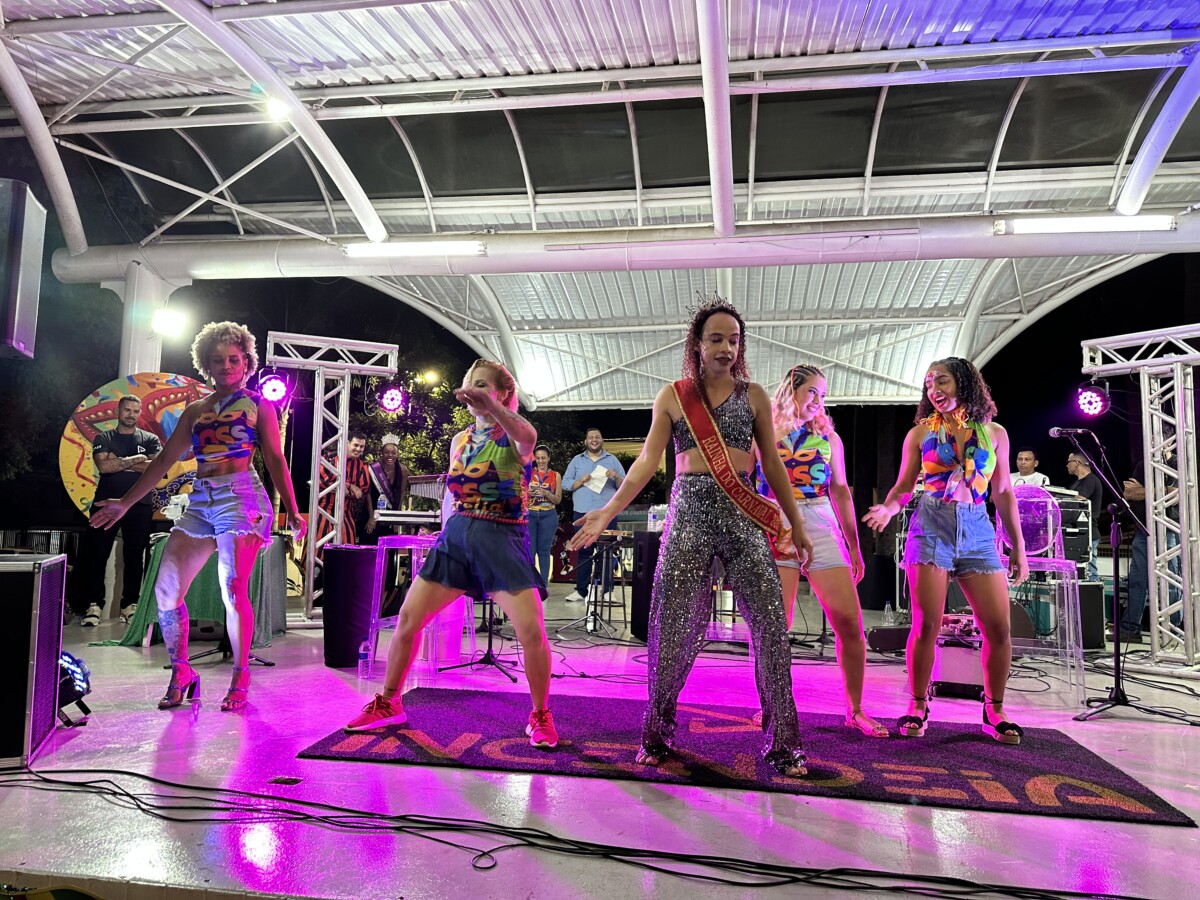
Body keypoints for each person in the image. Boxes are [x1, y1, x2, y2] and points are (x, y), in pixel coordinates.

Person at [571, 298, 814, 777]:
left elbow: (772, 465)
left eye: (734, 340)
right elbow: (646, 462)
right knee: (671, 628)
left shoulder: (755, 395)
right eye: (716, 339)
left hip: (743, 514)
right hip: (690, 515)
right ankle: (656, 735)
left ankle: (784, 746)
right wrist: (607, 510)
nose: (726, 348)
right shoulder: (673, 395)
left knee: (771, 627)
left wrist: (797, 525)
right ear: (697, 345)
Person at [90, 322, 306, 712]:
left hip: (242, 496)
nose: (226, 366)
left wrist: (291, 508)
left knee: (233, 586)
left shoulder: (259, 405)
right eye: (218, 360)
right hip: (201, 499)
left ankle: (240, 676)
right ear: (207, 364)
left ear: (246, 363)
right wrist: (124, 502)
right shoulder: (195, 410)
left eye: (234, 359)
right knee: (166, 589)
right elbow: (163, 462)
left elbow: (275, 459)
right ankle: (182, 672)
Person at [344, 359, 559, 749]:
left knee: (531, 630)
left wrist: (494, 408)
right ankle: (390, 701)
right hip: (457, 537)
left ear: (502, 394)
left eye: (483, 385)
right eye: (470, 384)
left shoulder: (513, 434)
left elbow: (528, 436)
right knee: (408, 619)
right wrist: (442, 531)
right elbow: (452, 494)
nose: (474, 390)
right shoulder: (460, 439)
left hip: (502, 538)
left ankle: (540, 715)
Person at [863, 357, 1029, 745]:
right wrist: (888, 508)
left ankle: (994, 709)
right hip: (931, 526)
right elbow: (904, 487)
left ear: (964, 383)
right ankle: (917, 704)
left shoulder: (995, 433)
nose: (934, 390)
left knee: (999, 627)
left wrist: (1018, 547)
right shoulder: (920, 434)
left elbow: (1003, 491)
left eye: (942, 381)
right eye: (929, 384)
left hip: (978, 529)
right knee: (926, 625)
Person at [755, 364, 886, 737]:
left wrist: (854, 546)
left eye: (823, 395)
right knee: (775, 625)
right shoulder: (763, 431)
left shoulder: (829, 437)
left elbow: (840, 491)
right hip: (776, 523)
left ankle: (855, 710)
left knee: (850, 623)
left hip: (821, 521)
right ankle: (771, 706)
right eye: (812, 391)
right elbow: (744, 482)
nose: (818, 400)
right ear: (791, 390)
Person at [71, 395, 161, 627]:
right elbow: (103, 466)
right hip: (105, 504)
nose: (131, 414)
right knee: (97, 554)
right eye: (127, 410)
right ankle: (93, 605)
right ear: (118, 412)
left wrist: (118, 461)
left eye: (135, 411)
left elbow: (157, 468)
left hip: (139, 505)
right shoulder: (104, 437)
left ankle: (130, 606)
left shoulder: (150, 439)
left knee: (135, 556)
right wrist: (138, 459)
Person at [562, 429, 625, 603]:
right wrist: (580, 481)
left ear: (602, 440)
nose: (594, 440)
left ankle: (607, 591)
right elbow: (565, 484)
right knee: (583, 551)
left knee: (606, 552)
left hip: (606, 513)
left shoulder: (612, 460)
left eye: (597, 437)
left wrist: (616, 476)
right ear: (586, 441)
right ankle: (580, 591)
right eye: (591, 437)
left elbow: (625, 484)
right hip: (582, 512)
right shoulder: (577, 460)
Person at [313, 431, 370, 550]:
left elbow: (361, 492)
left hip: (346, 514)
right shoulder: (329, 458)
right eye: (356, 445)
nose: (358, 449)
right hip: (323, 511)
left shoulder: (362, 466)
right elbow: (322, 482)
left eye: (361, 446)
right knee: (318, 550)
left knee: (346, 551)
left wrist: (344, 489)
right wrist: (350, 486)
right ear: (347, 443)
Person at [363, 433, 410, 544]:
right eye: (386, 452)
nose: (390, 455)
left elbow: (402, 493)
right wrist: (372, 517)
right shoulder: (373, 469)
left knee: (389, 547)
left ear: (397, 454)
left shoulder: (402, 470)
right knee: (370, 546)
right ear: (381, 453)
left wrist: (396, 516)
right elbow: (367, 493)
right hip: (372, 510)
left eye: (393, 453)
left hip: (390, 514)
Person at [527, 443, 562, 586]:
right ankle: (530, 584)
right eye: (538, 458)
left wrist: (547, 493)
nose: (540, 461)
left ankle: (543, 585)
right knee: (530, 550)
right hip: (530, 514)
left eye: (543, 458)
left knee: (544, 550)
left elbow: (558, 500)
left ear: (548, 458)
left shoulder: (555, 475)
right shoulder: (528, 473)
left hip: (548, 515)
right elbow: (520, 494)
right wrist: (529, 493)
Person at [1067, 452, 1103, 581]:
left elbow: (1079, 500)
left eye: (1069, 462)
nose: (1067, 465)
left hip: (1088, 533)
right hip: (1077, 532)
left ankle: (1094, 589)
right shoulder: (1075, 483)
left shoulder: (1091, 480)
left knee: (1089, 571)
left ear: (1076, 463)